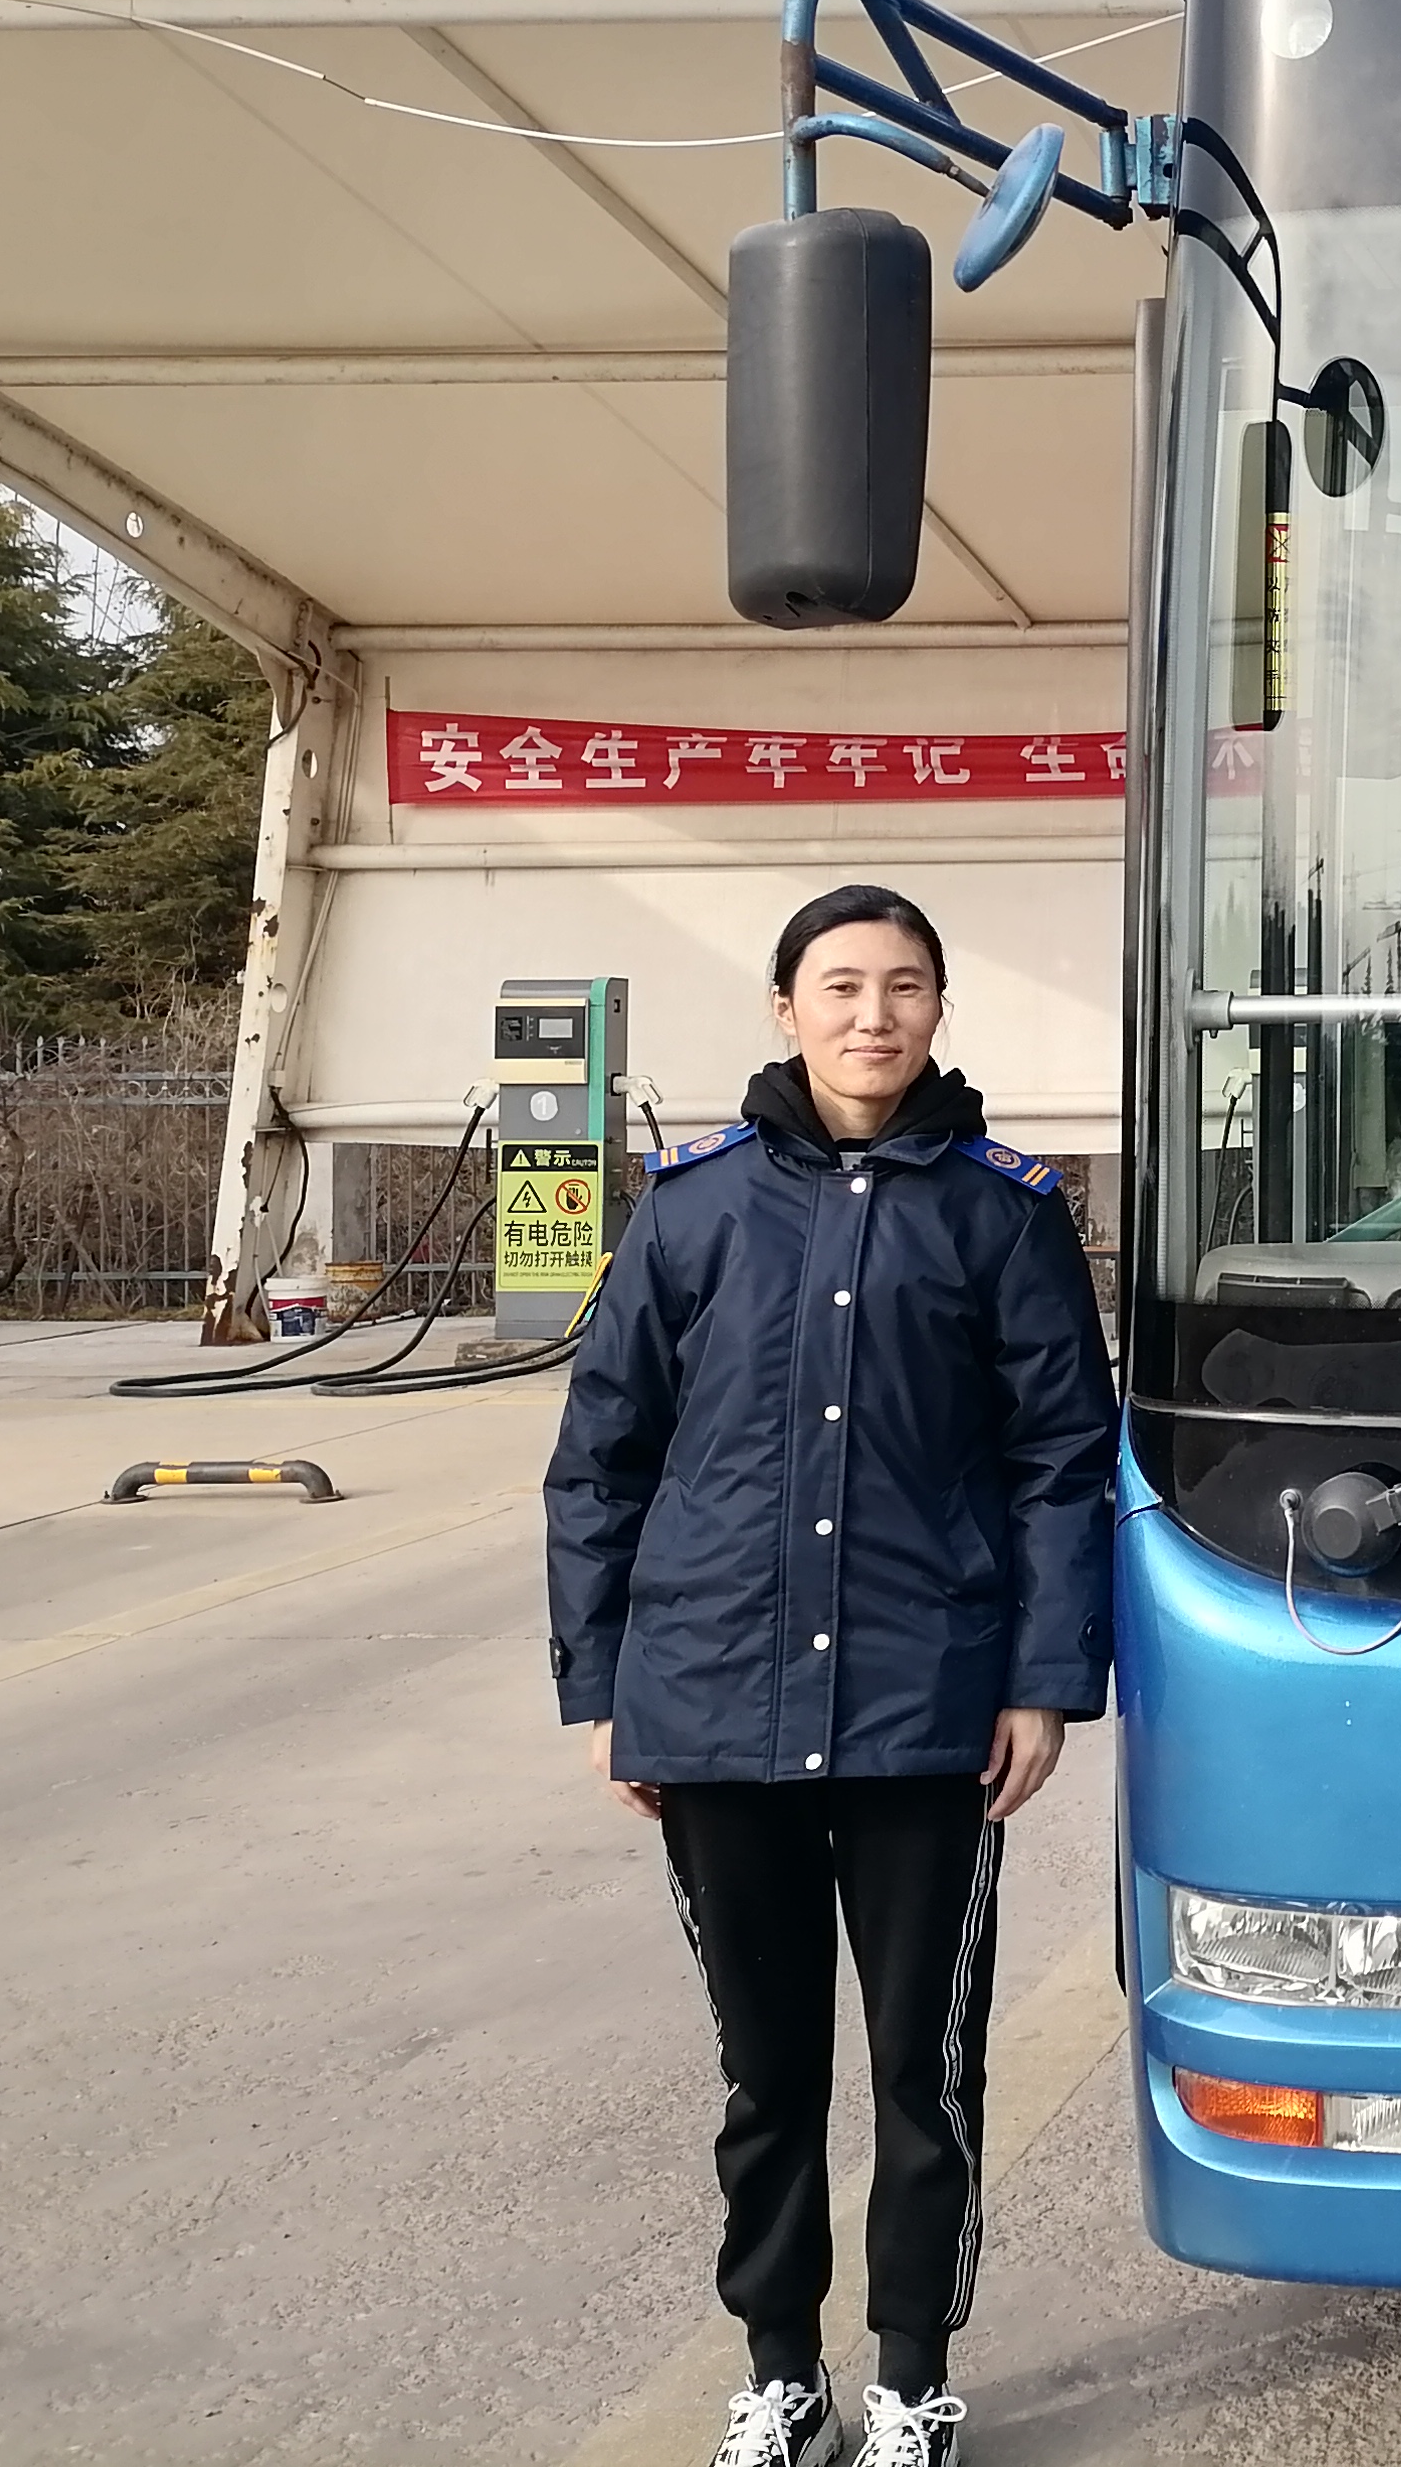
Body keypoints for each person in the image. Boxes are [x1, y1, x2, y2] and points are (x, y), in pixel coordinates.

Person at [546, 884, 1117, 2467]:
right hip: (714, 1702)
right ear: (785, 1007)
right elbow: (601, 1459)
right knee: (766, 2071)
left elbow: (1064, 1460)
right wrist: (606, 1687)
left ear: (939, 1010)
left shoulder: (1003, 1214)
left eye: (906, 986)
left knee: (924, 2071)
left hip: (928, 1712)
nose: (876, 1015)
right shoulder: (694, 1208)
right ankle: (782, 2373)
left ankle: (913, 2376)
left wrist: (1042, 1681)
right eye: (844, 985)